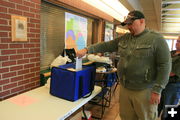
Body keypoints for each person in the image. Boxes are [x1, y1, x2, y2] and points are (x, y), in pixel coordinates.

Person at [76, 10, 171, 120]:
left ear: (142, 21)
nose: (128, 27)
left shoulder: (156, 40)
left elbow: (165, 66)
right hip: (125, 88)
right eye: (127, 24)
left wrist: (157, 90)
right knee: (126, 117)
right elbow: (106, 45)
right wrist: (87, 49)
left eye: (131, 23)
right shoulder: (125, 38)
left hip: (145, 90)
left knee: (146, 117)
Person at [158, 36, 180, 119]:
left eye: (179, 41)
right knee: (158, 107)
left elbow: (171, 73)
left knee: (169, 110)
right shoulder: (172, 52)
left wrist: (160, 71)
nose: (177, 43)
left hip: (173, 86)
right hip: (163, 84)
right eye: (177, 41)